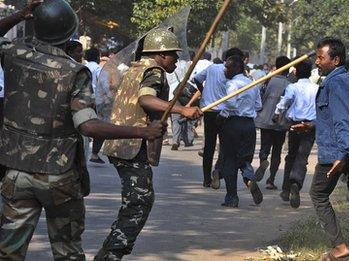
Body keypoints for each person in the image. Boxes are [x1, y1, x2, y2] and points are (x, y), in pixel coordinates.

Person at [0, 1, 166, 260]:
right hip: (59, 175)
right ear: (69, 33)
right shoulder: (73, 71)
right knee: (67, 251)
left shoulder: (13, 54)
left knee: (9, 251)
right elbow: (88, 125)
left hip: (16, 170)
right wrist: (142, 133)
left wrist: (20, 15)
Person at [97, 28, 201, 260]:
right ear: (161, 55)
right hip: (132, 144)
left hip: (121, 143)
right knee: (139, 202)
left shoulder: (135, 68)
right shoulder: (154, 71)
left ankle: (109, 251)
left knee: (135, 201)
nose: (177, 59)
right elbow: (146, 99)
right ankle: (112, 254)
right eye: (174, 54)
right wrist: (183, 109)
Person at [302, 37, 349, 261]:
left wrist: (342, 155)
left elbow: (342, 121)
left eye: (321, 58)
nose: (317, 62)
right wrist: (312, 125)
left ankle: (340, 248)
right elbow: (340, 117)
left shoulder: (335, 83)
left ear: (335, 60)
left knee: (318, 194)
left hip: (339, 152)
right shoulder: (348, 80)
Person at [192, 48, 244, 189]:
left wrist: (204, 92)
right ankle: (219, 171)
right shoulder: (233, 72)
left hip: (209, 110)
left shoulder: (212, 68)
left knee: (209, 145)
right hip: (224, 113)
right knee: (225, 145)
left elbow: (196, 79)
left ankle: (206, 179)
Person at [217, 55, 263, 208]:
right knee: (244, 158)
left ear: (236, 68)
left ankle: (232, 197)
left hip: (233, 123)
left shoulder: (232, 84)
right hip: (249, 125)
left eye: (228, 67)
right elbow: (258, 106)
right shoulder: (252, 84)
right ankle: (249, 178)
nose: (225, 70)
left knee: (229, 159)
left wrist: (222, 114)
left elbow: (230, 104)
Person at [274, 59, 318, 208]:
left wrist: (277, 113)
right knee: (302, 157)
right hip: (310, 126)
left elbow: (284, 102)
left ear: (296, 72)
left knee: (291, 155)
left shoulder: (292, 87)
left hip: (294, 125)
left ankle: (286, 189)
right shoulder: (317, 88)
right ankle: (296, 183)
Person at [254, 56, 291, 190]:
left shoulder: (268, 80)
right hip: (280, 123)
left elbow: (259, 95)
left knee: (265, 146)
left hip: (265, 120)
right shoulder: (289, 84)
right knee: (277, 151)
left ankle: (263, 160)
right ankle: (271, 180)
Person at [85, 47, 106, 164]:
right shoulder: (98, 69)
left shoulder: (84, 66)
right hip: (96, 102)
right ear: (97, 57)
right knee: (100, 127)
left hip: (83, 100)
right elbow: (104, 84)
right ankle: (94, 153)